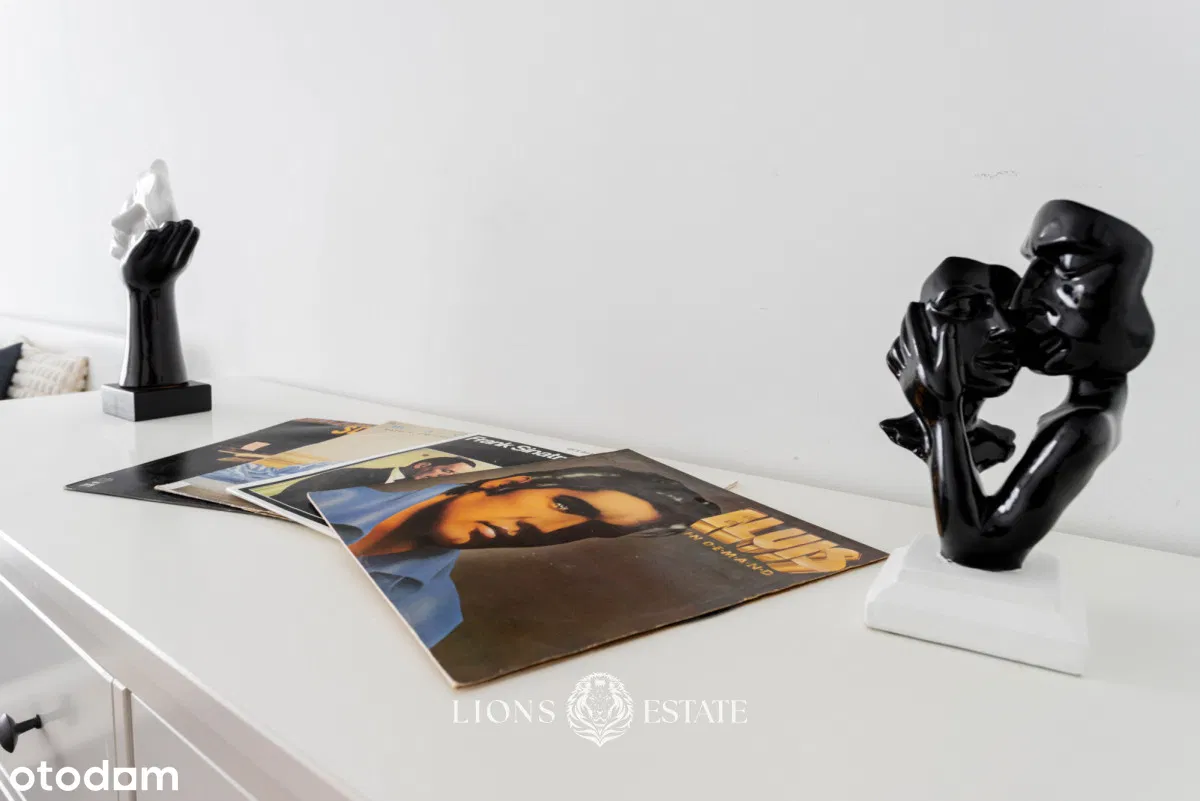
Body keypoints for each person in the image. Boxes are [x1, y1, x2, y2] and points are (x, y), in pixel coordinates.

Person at [892, 200, 1154, 570]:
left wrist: (942, 416)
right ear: (919, 331)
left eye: (1065, 269)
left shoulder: (1085, 424)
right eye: (966, 309)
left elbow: (976, 548)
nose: (1016, 314)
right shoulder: (1085, 414)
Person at [311, 467, 720, 647]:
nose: (547, 530)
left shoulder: (434, 613)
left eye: (588, 530)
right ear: (508, 481)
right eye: (565, 505)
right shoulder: (324, 492)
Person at [880, 257, 1021, 471]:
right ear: (917, 330)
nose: (1004, 328)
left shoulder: (998, 443)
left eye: (1012, 313)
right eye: (962, 307)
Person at [269, 455, 477, 512]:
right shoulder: (352, 473)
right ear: (421, 465)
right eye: (445, 471)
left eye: (451, 477)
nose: (444, 479)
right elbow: (288, 499)